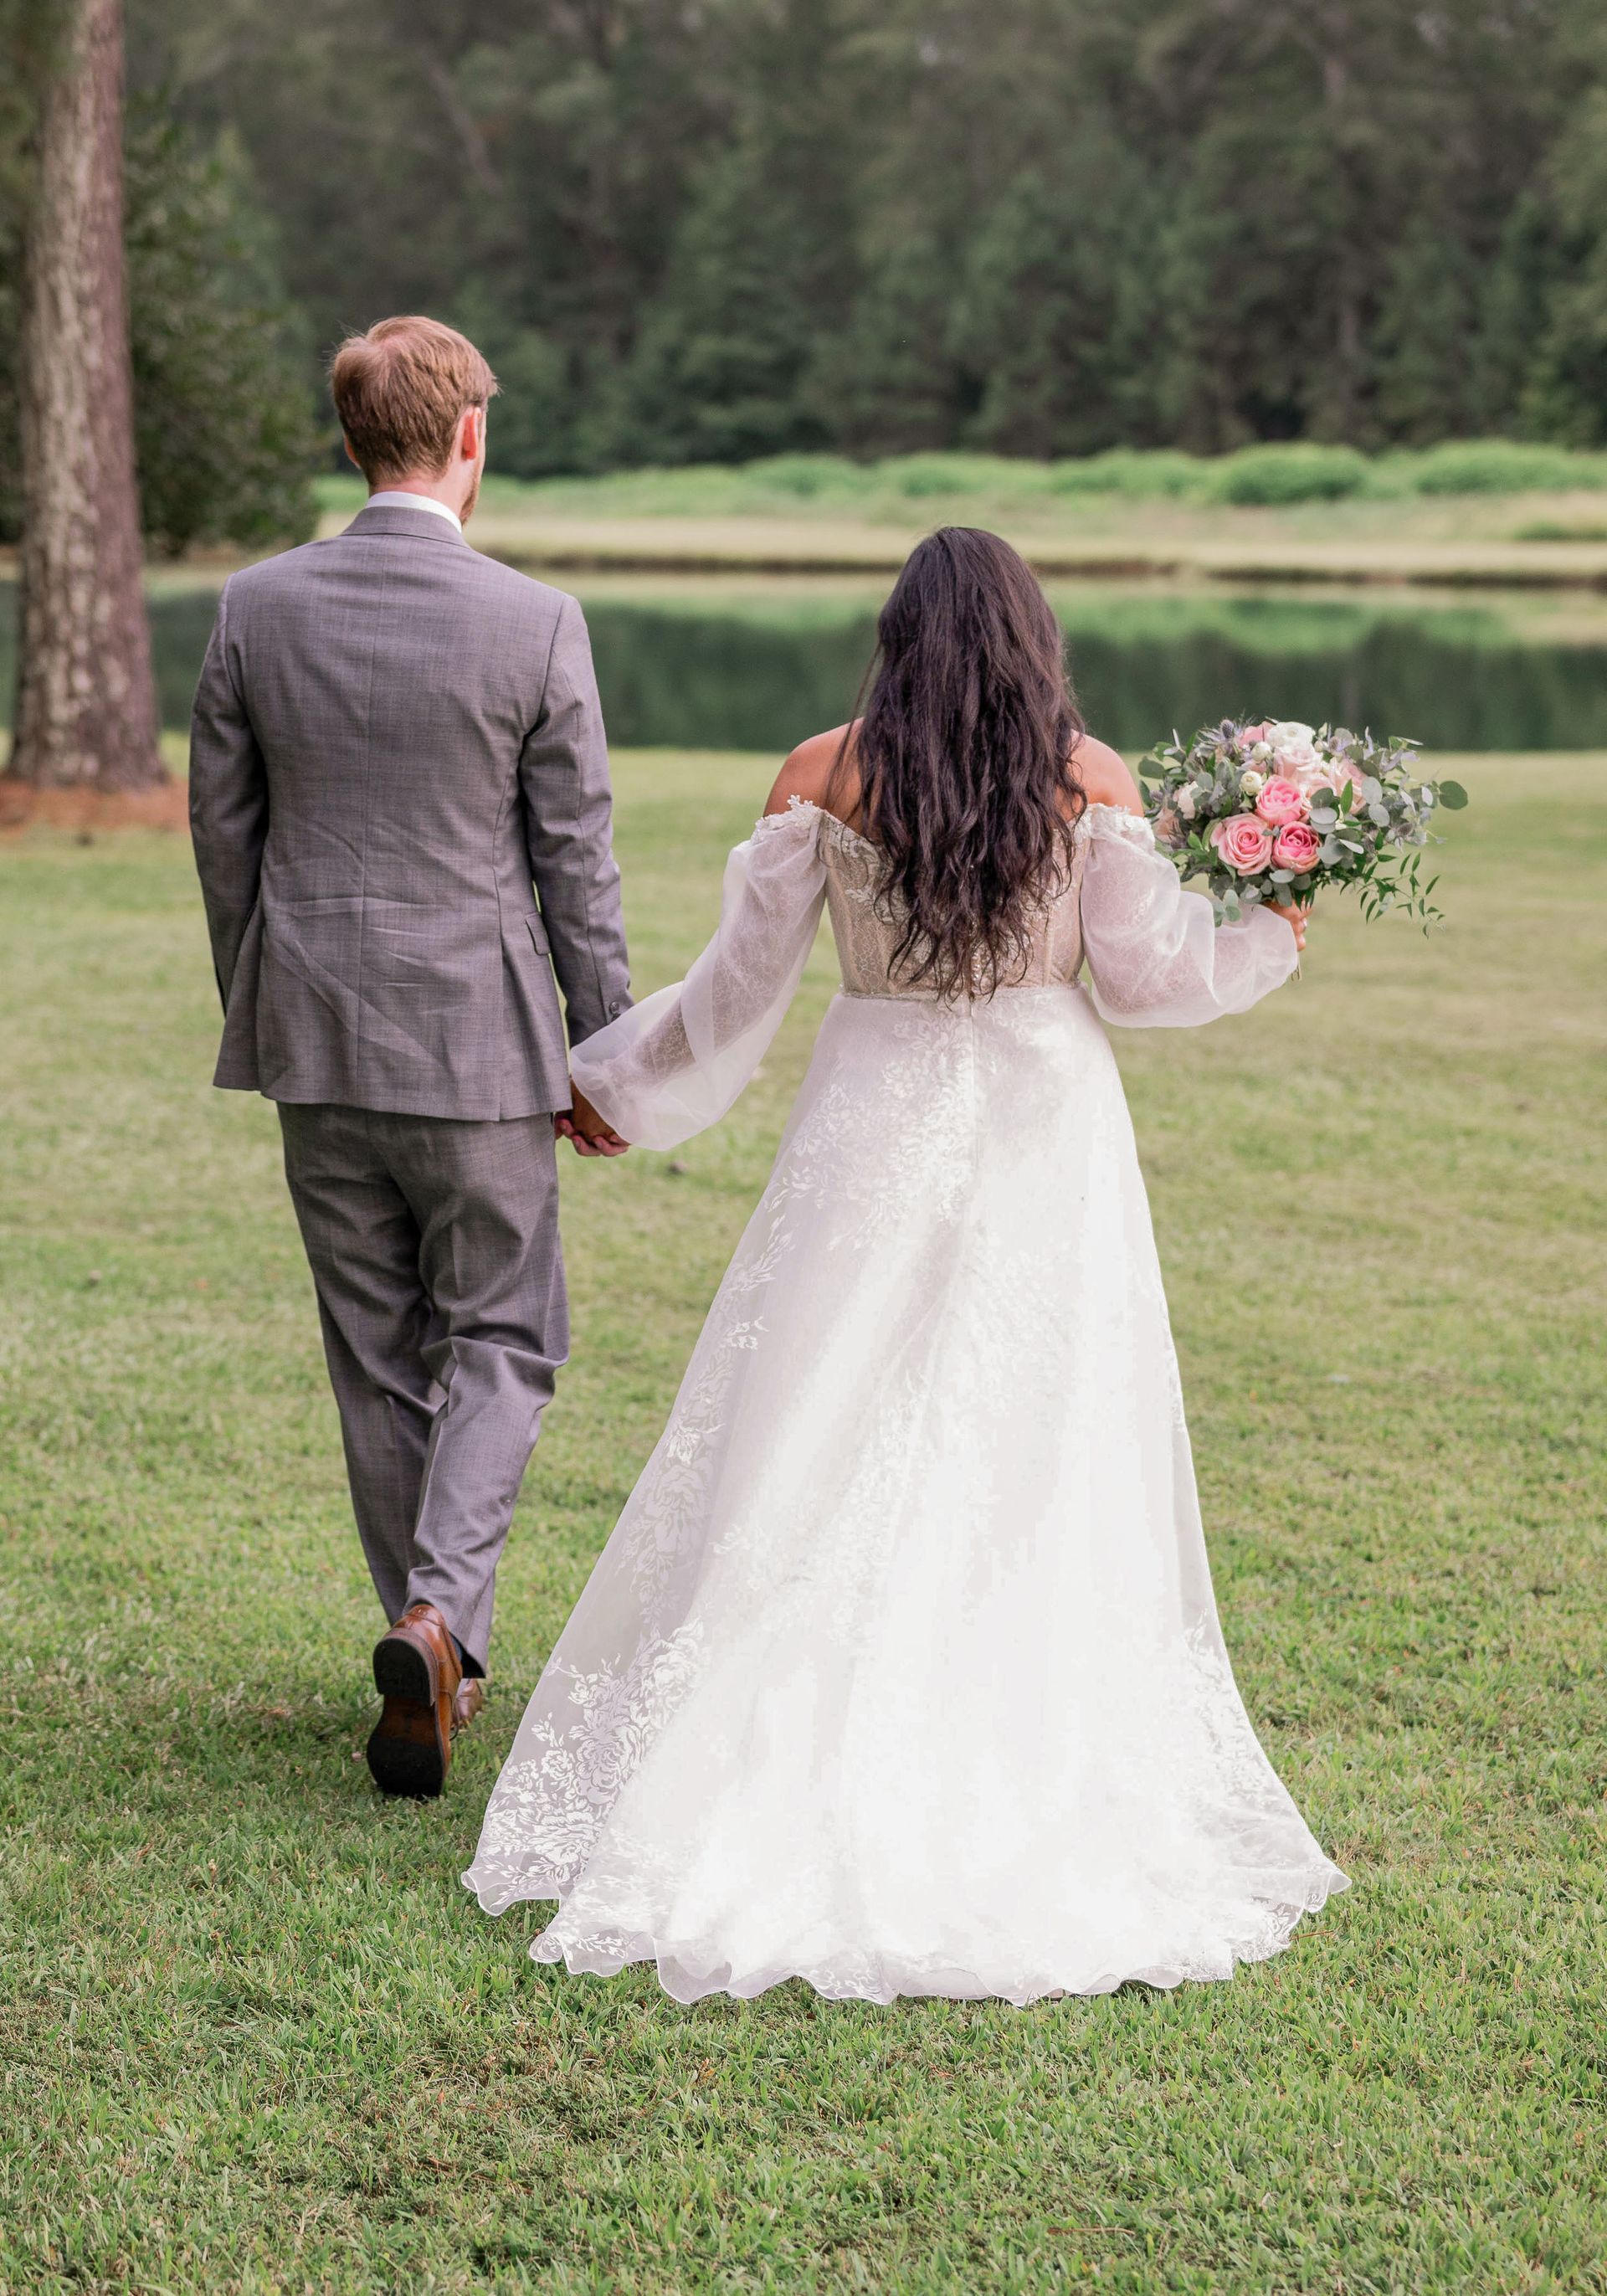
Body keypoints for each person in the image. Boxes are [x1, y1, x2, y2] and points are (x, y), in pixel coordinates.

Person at [464, 526, 1347, 2006]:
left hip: (869, 1112)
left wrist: (614, 1082)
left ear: (897, 636)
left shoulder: (823, 774)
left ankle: (774, 1733)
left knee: (822, 1410)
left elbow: (737, 996)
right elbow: (1144, 979)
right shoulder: (1089, 779)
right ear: (1030, 641)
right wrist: (1272, 935)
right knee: (1036, 1425)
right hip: (1046, 1117)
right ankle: (1019, 1732)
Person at [189, 316, 631, 1800]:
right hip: (482, 1051)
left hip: (317, 1039)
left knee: (378, 1356)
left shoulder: (255, 607)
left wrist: (267, 995)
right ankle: (441, 1621)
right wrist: (607, 1047)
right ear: (468, 441)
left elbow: (222, 833)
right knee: (504, 1337)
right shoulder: (536, 621)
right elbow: (575, 858)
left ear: (353, 442)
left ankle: (424, 1641)